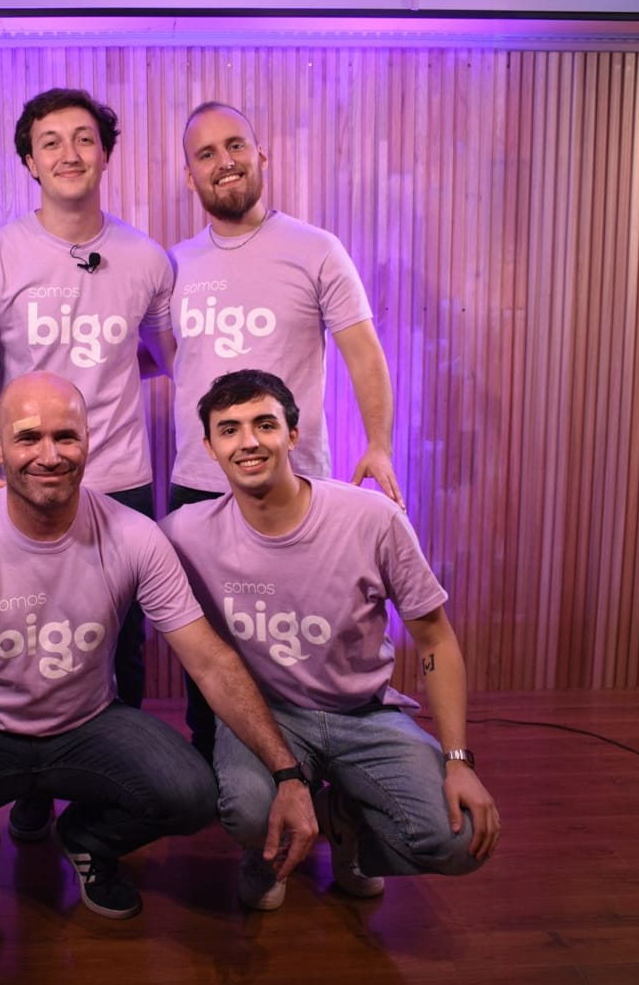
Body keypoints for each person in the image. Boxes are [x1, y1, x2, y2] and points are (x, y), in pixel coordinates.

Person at [0, 372, 316, 943]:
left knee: (193, 794)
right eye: (29, 438)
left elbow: (209, 660)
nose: (49, 455)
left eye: (65, 437)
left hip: (87, 724)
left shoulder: (132, 535)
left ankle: (87, 839)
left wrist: (287, 772)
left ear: (88, 441)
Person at [0, 87, 175, 834]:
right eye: (51, 142)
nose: (69, 153)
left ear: (106, 153)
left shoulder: (146, 258)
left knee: (121, 649)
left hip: (120, 482)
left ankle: (99, 807)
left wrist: (106, 380)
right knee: (24, 643)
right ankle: (31, 783)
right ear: (30, 162)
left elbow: (164, 355)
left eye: (84, 138)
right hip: (25, 484)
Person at [160, 369, 500, 912]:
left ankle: (348, 823)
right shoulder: (184, 531)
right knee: (247, 811)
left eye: (264, 424)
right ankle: (267, 850)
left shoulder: (372, 519)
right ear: (209, 447)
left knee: (460, 839)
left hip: (363, 712)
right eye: (229, 429)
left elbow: (435, 639)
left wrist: (459, 760)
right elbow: (108, 543)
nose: (248, 442)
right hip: (268, 715)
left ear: (293, 435)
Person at [165, 100, 405, 759]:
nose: (224, 162)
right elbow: (158, 357)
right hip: (200, 485)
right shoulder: (173, 267)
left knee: (302, 641)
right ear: (190, 176)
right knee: (209, 644)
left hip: (294, 485)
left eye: (235, 145)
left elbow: (364, 352)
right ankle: (222, 771)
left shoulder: (315, 248)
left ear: (261, 156)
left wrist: (379, 445)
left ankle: (314, 766)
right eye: (206, 154)